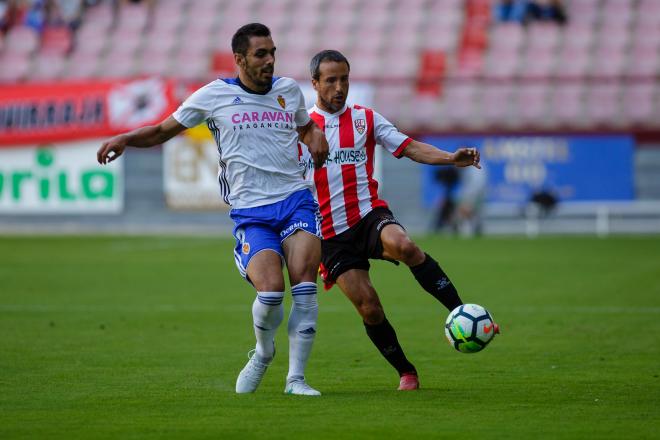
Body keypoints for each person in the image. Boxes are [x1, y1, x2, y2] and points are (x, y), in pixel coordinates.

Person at [97, 23, 329, 396]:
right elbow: (161, 131)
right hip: (251, 211)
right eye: (261, 54)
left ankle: (296, 380)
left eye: (273, 52)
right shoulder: (213, 96)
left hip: (295, 199)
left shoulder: (288, 91)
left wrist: (314, 134)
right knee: (270, 292)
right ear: (239, 59)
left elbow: (304, 128)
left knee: (304, 285)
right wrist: (125, 137)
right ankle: (262, 351)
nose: (270, 60)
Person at [303, 50, 494, 390]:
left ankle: (465, 313)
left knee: (404, 245)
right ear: (315, 83)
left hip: (368, 214)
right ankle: (406, 371)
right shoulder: (301, 129)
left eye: (344, 79)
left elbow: (409, 147)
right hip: (330, 234)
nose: (339, 87)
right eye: (331, 80)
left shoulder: (365, 119)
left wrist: (451, 158)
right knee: (369, 307)